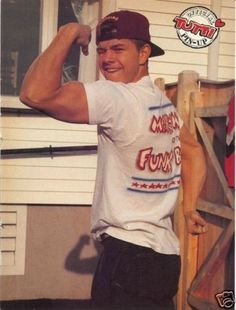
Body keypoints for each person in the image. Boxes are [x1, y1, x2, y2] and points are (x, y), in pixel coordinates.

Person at [20, 10, 208, 309]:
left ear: (143, 52)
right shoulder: (161, 105)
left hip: (127, 258)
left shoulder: (114, 97)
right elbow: (193, 151)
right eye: (101, 50)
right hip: (165, 258)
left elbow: (34, 94)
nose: (107, 58)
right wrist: (189, 207)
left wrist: (67, 32)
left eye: (118, 49)